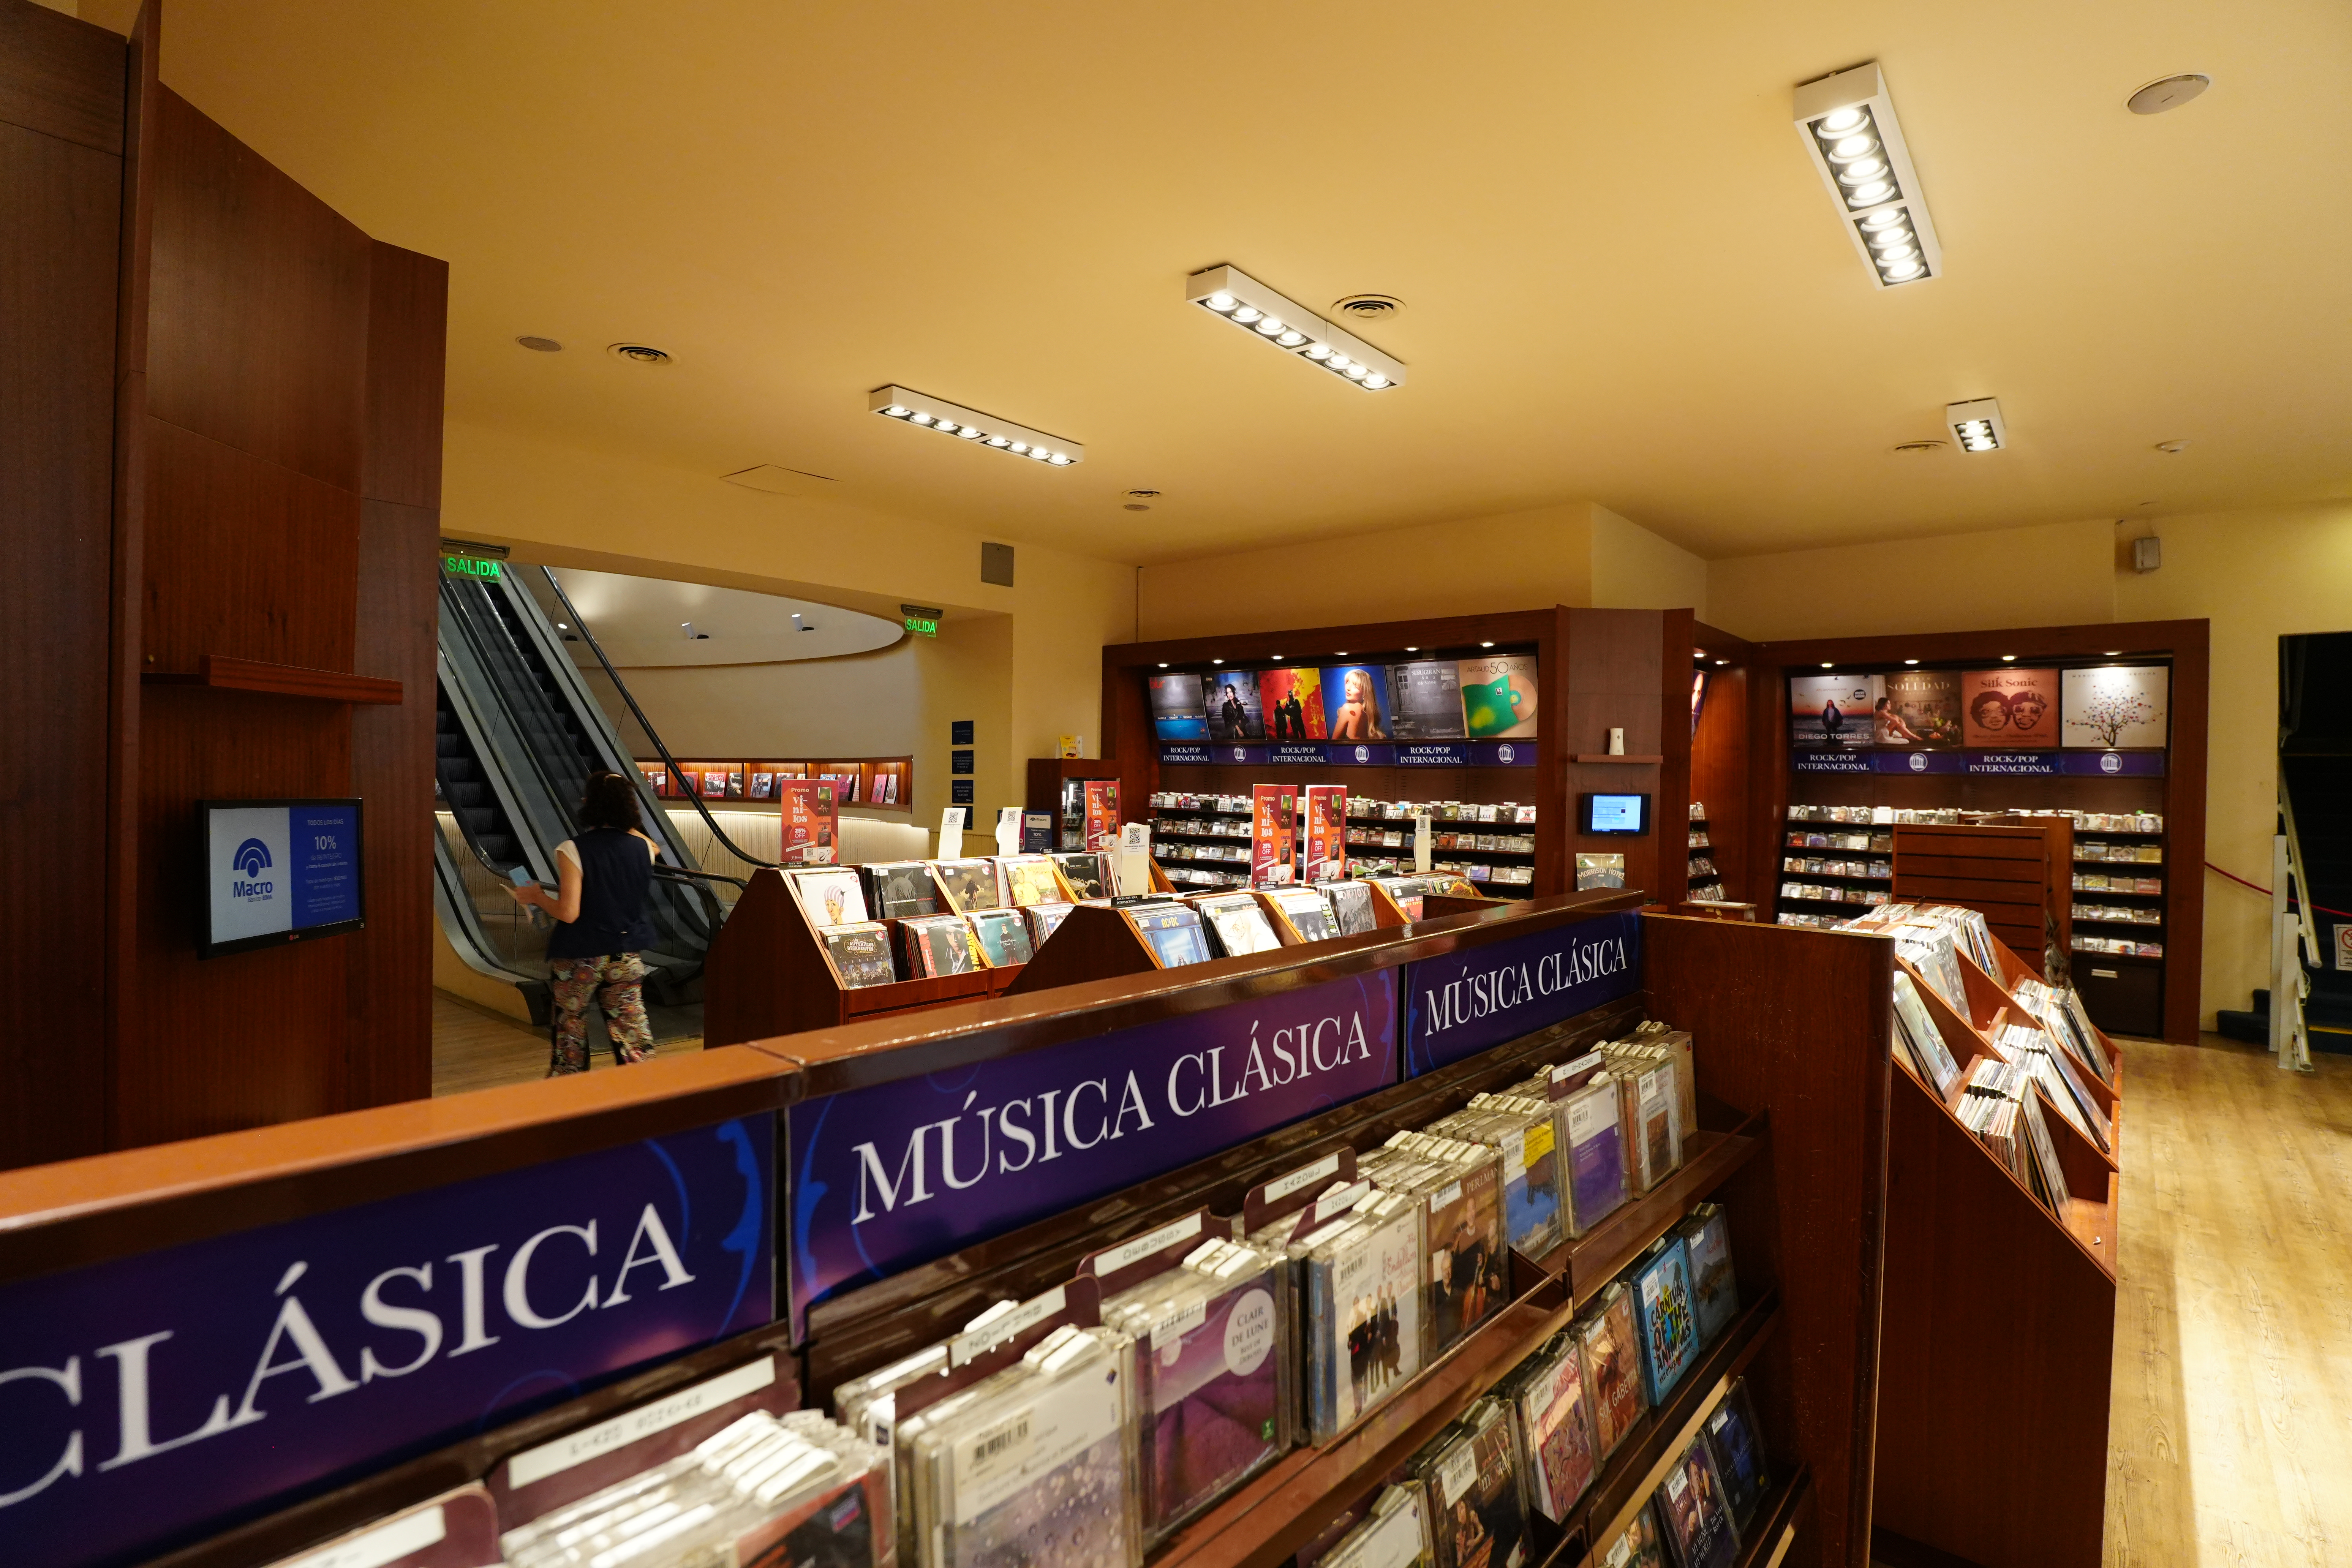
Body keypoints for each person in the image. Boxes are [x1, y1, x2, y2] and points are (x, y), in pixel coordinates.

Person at [508, 771, 660, 1074]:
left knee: (571, 1030)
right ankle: (646, 1094)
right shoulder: (645, 849)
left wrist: (537, 896)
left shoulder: (572, 849)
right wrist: (623, 803)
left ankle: (571, 1094)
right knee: (633, 1033)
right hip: (626, 954)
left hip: (581, 956)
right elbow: (645, 840)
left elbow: (569, 912)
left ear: (590, 804)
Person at [1331, 668, 1386, 740]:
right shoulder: (1366, 713)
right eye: (1348, 682)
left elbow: (1334, 744)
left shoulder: (1349, 709)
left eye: (1355, 687)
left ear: (1364, 693)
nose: (1348, 688)